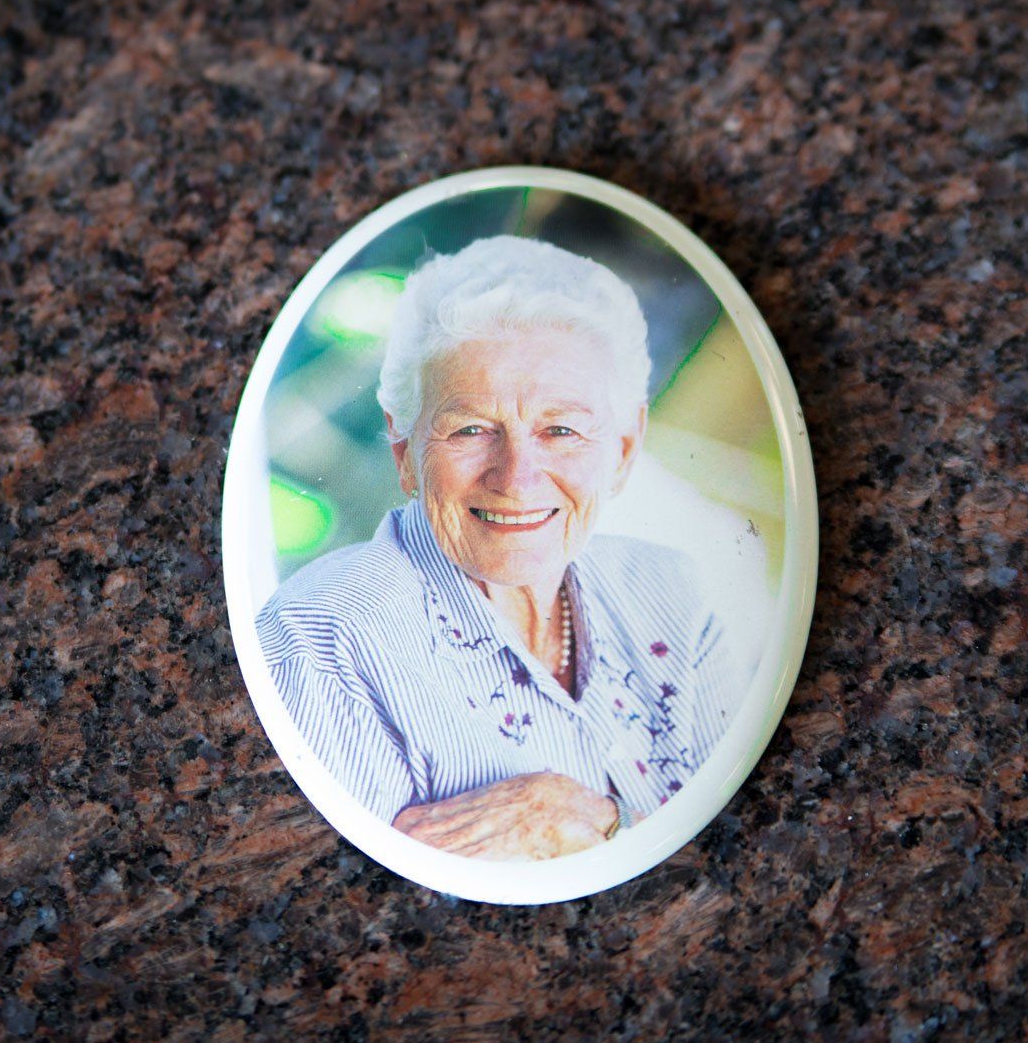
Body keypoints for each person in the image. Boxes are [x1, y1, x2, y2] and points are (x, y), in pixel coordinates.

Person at [256, 236, 743, 861]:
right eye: (471, 430)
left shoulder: (668, 588)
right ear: (405, 450)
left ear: (623, 449)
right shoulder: (321, 639)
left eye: (561, 430)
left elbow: (747, 832)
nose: (516, 478)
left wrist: (598, 821)